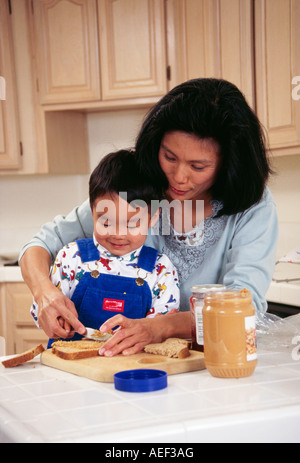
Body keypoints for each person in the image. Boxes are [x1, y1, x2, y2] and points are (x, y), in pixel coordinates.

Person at [20, 78, 278, 357]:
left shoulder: (252, 205)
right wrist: (44, 292)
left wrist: (160, 327)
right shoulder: (137, 187)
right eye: (169, 157)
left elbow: (243, 303)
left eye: (198, 166)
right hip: (128, 362)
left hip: (213, 360)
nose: (179, 177)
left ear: (228, 165)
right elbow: (41, 244)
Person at [29, 150, 180, 349]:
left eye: (132, 224)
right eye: (106, 222)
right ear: (91, 211)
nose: (118, 234)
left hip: (132, 366)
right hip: (70, 366)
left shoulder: (160, 269)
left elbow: (158, 329)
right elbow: (43, 312)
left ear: (152, 217)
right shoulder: (71, 258)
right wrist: (56, 321)